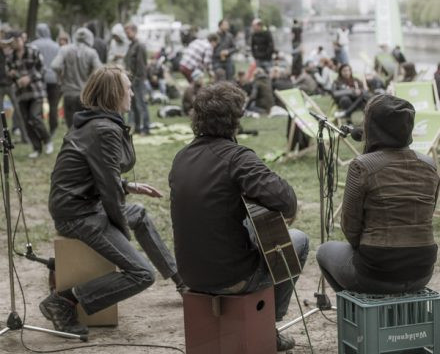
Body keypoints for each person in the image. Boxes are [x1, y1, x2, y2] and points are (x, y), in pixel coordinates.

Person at [39, 66, 184, 335]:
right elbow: (107, 189)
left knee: (138, 212)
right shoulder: (104, 130)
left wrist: (128, 185)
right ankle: (63, 301)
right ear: (115, 94)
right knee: (142, 274)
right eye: (127, 88)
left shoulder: (96, 123)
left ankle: (180, 279)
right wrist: (120, 233)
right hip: (78, 214)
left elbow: (95, 174)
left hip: (80, 205)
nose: (131, 92)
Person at [169, 82, 309, 351]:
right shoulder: (238, 158)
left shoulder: (181, 157)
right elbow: (287, 202)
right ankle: (267, 325)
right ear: (236, 120)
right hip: (232, 276)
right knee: (298, 240)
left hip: (190, 273)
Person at [316, 94, 439, 294]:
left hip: (375, 272)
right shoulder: (430, 165)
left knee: (324, 251)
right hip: (423, 271)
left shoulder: (363, 166)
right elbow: (426, 213)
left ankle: (358, 314)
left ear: (372, 127)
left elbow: (350, 228)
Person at [7, 31, 53, 158]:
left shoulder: (33, 51)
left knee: (35, 117)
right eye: (12, 42)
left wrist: (30, 78)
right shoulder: (10, 57)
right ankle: (37, 148)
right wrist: (13, 76)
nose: (15, 43)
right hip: (21, 93)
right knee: (26, 122)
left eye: (17, 40)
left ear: (22, 39)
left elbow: (42, 69)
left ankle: (48, 141)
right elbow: (10, 74)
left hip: (36, 91)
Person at [52, 27, 102, 129]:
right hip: (85, 94)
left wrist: (61, 75)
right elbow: (100, 70)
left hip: (68, 93)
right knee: (85, 127)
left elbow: (55, 65)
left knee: (71, 127)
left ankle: (72, 144)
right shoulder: (91, 52)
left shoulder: (65, 49)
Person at [32, 23, 61, 136]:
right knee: (53, 105)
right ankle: (53, 129)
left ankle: (39, 128)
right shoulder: (56, 46)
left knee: (37, 105)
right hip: (54, 79)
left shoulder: (34, 45)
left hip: (39, 79)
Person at [124, 23, 150, 135]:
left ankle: (146, 128)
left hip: (138, 80)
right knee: (134, 105)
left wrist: (138, 79)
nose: (126, 34)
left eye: (128, 32)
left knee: (141, 105)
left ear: (134, 31)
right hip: (132, 81)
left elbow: (141, 65)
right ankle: (138, 127)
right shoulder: (131, 45)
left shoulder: (140, 46)